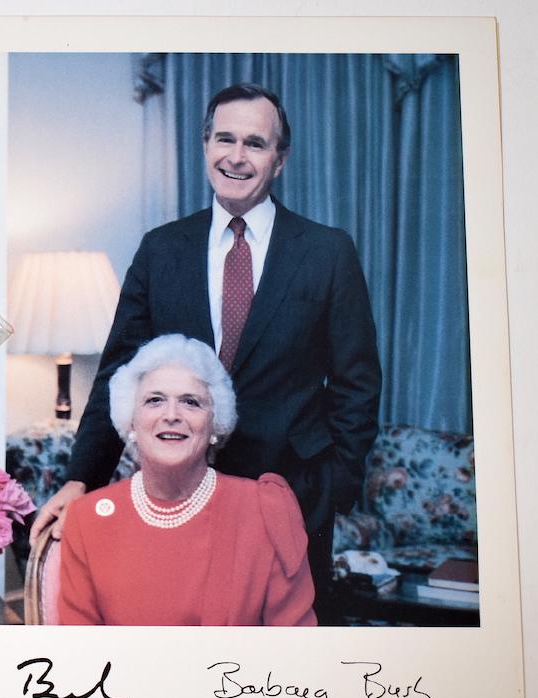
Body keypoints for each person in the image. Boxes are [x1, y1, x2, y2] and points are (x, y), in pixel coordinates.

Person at [32, 83, 381, 621]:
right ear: (205, 147)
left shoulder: (327, 252)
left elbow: (358, 383)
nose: (236, 156)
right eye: (225, 139)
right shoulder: (162, 249)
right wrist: (83, 477)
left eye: (255, 143)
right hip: (177, 493)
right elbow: (118, 372)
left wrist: (333, 486)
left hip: (292, 496)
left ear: (279, 160)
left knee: (285, 664)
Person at [58, 334, 316, 626]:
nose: (171, 415)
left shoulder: (265, 509)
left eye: (191, 402)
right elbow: (81, 653)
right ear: (130, 420)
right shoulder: (87, 520)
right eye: (154, 400)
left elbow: (295, 646)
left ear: (215, 424)